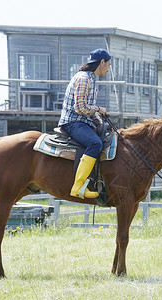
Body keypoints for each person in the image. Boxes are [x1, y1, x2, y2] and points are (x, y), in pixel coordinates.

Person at [58, 48, 111, 198]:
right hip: (73, 122)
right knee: (95, 144)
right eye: (108, 64)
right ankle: (78, 186)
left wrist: (99, 120)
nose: (108, 68)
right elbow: (79, 107)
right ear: (101, 62)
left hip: (83, 121)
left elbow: (87, 110)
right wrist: (99, 109)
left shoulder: (91, 79)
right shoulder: (84, 79)